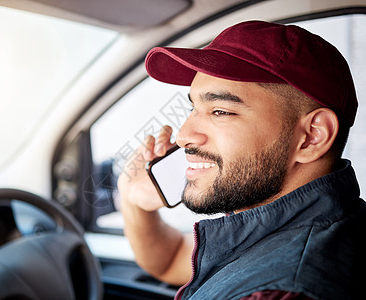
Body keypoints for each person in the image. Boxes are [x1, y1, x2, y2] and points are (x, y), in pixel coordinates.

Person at [117, 20, 366, 300]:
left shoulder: (279, 292)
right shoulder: (300, 226)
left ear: (312, 136)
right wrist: (134, 202)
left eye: (220, 111)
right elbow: (171, 259)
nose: (184, 135)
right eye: (194, 108)